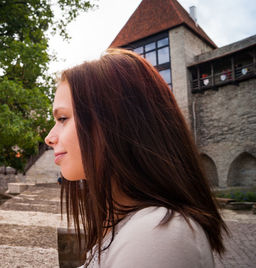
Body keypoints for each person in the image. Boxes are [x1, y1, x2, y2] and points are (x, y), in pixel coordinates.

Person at [45, 48, 228, 267]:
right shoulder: (136, 226)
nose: (49, 138)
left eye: (63, 118)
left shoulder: (158, 235)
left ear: (113, 122)